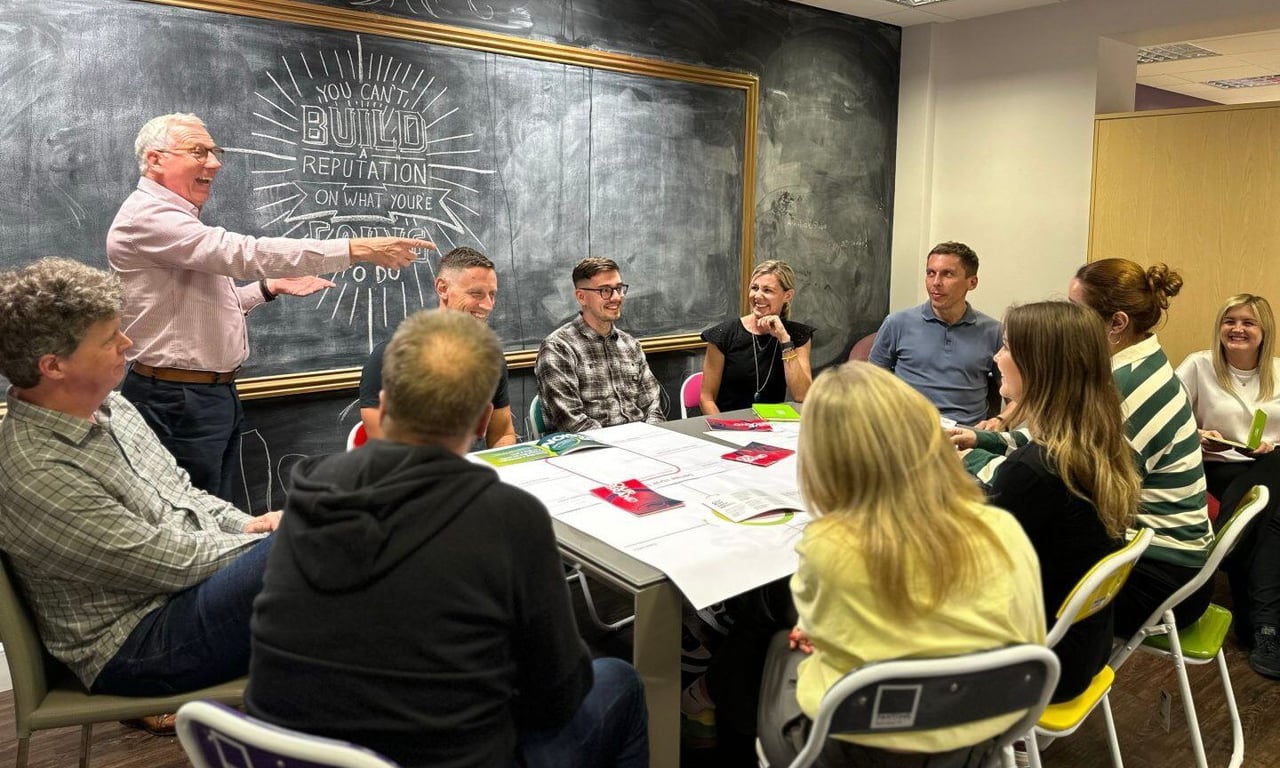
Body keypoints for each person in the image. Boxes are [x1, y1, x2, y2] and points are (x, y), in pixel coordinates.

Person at [246, 309, 648, 768]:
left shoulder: (309, 490)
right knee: (620, 680)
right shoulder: (511, 518)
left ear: (385, 397)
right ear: (481, 421)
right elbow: (558, 697)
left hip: (286, 753)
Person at [107, 112, 434, 501]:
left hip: (206, 395)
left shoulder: (178, 219)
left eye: (215, 152)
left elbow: (203, 306)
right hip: (176, 397)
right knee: (194, 518)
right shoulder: (149, 216)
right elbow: (243, 253)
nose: (215, 162)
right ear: (155, 159)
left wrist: (267, 288)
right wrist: (355, 248)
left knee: (217, 511)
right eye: (199, 151)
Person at [0, 258, 279, 705]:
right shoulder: (37, 467)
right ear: (53, 366)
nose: (128, 343)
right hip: (137, 645)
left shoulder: (115, 408)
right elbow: (165, 563)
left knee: (336, 556)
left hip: (181, 595)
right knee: (323, 547)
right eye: (111, 339)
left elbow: (182, 493)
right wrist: (276, 542)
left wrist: (249, 526)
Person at [757, 362, 1044, 767]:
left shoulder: (827, 545)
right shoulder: (1002, 528)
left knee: (777, 644)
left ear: (823, 462)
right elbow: (1026, 635)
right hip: (978, 739)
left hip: (857, 747)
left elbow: (815, 631)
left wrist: (816, 629)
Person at [955, 259, 1213, 640]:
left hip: (1157, 580)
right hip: (1139, 565)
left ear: (1117, 324)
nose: (1068, 323)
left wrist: (972, 460)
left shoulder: (1125, 393)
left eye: (1077, 312)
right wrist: (987, 441)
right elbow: (1061, 446)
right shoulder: (1134, 369)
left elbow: (1060, 475)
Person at [966, 302, 1140, 702]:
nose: (996, 357)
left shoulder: (1036, 470)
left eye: (1006, 347)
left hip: (1034, 663)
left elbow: (971, 570)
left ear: (1038, 366)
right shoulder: (1096, 443)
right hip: (1084, 647)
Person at [1176, 293, 1280, 678]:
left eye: (1248, 322)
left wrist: (1272, 446)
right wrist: (1197, 434)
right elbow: (1169, 419)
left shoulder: (1279, 371)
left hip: (1267, 467)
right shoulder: (1199, 365)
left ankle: (1231, 540)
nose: (1237, 329)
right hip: (1215, 467)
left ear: (1263, 330)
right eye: (1230, 321)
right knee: (1272, 515)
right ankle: (1267, 629)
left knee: (1274, 474)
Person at [357, 247, 516, 448]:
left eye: (492, 295)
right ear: (442, 289)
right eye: (476, 293)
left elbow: (503, 433)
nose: (488, 305)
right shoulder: (390, 357)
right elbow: (388, 449)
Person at [869, 241, 1002, 426]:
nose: (936, 282)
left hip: (967, 436)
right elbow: (870, 383)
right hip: (908, 432)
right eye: (930, 273)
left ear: (972, 282)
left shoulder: (994, 331)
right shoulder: (897, 323)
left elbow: (1018, 395)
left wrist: (1001, 421)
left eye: (947, 274)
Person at [535, 257, 665, 432]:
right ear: (581, 297)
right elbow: (572, 423)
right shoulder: (558, 348)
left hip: (642, 445)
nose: (617, 297)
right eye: (605, 290)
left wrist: (654, 438)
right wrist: (625, 448)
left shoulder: (630, 345)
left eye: (619, 288)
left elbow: (653, 408)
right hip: (589, 451)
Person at [699, 260, 815, 413]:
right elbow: (706, 398)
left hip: (773, 427)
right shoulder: (723, 335)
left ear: (787, 295)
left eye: (767, 290)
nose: (757, 296)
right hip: (727, 426)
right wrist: (723, 429)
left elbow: (803, 396)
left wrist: (785, 341)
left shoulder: (797, 336)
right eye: (754, 288)